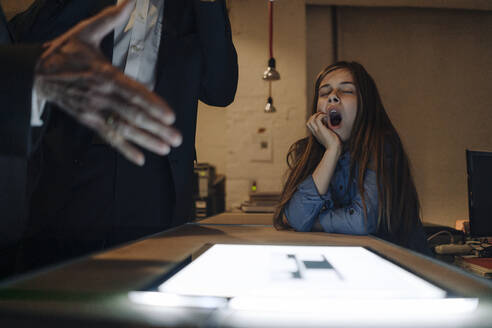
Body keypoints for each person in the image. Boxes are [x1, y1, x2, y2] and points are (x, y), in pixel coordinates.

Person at [13, 0, 238, 271]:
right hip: (72, 171)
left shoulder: (193, 10)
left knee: (150, 294)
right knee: (60, 288)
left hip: (156, 182)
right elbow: (23, 42)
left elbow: (221, 90)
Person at [0, 0, 182, 278]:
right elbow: (23, 38)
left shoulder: (185, 15)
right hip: (64, 196)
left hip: (150, 196)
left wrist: (33, 77)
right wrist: (33, 75)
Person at [273, 61, 431, 255]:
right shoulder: (306, 151)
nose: (333, 97)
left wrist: (312, 222)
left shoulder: (382, 145)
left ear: (365, 103)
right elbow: (294, 216)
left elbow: (362, 222)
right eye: (324, 93)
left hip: (401, 267)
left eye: (346, 91)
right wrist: (332, 151)